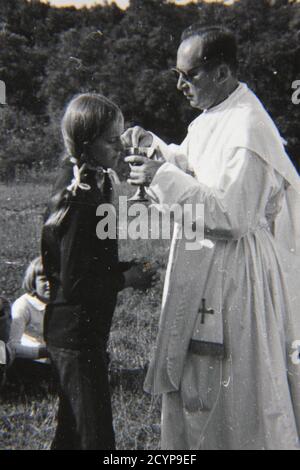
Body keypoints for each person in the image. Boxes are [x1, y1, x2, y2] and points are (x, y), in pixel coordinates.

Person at [122, 25, 300, 450]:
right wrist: (157, 150)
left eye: (190, 75)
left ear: (221, 72)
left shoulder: (249, 126)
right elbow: (192, 163)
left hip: (236, 272)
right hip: (202, 262)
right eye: (177, 74)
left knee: (235, 383)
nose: (181, 85)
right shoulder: (214, 115)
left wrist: (161, 177)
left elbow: (233, 215)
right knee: (196, 377)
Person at [41, 93, 156, 450]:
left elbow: (86, 262)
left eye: (120, 137)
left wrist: (124, 268)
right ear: (87, 144)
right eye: (111, 140)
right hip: (75, 333)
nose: (120, 147)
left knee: (73, 431)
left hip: (85, 330)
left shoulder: (96, 182)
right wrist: (127, 278)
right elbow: (75, 282)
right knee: (96, 437)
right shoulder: (78, 195)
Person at [9, 257, 49, 360]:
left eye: (53, 279)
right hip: (30, 359)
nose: (49, 284)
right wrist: (46, 352)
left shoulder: (61, 303)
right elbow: (11, 347)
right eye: (44, 279)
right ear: (33, 281)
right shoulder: (24, 305)